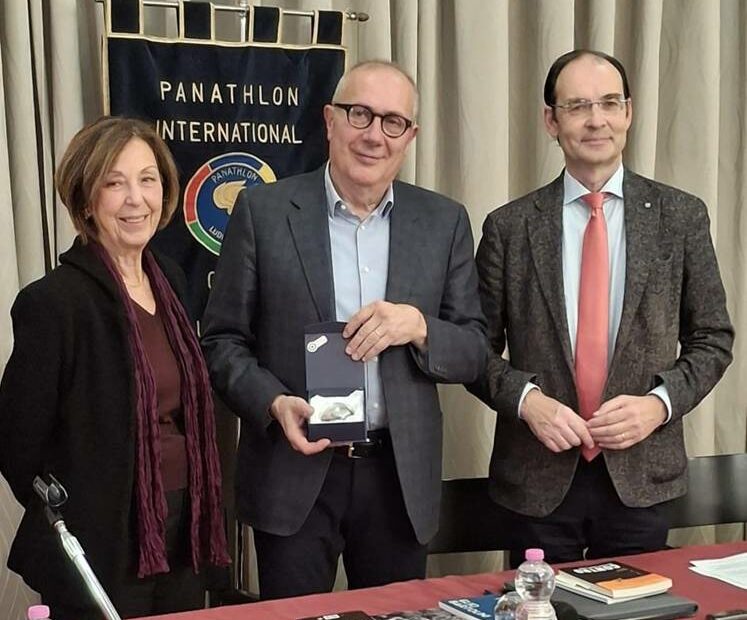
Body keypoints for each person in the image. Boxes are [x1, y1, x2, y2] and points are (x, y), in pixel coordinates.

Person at [201, 60, 486, 599]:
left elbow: (474, 349)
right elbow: (221, 341)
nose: (374, 135)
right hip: (295, 469)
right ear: (330, 120)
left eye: (393, 121)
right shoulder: (263, 211)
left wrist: (419, 326)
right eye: (360, 114)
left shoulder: (443, 221)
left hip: (398, 479)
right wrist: (272, 403)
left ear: (410, 137)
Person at [470, 49, 734, 567]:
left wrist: (658, 404)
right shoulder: (510, 227)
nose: (596, 120)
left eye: (610, 103)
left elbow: (713, 338)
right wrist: (527, 401)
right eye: (578, 106)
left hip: (642, 477)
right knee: (541, 605)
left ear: (628, 113)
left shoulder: (681, 217)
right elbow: (472, 347)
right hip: (537, 479)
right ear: (551, 121)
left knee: (641, 603)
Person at [0, 117, 229, 620]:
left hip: (185, 526)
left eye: (147, 179)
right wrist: (81, 509)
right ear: (86, 200)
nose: (136, 199)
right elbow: (17, 444)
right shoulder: (53, 302)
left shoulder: (170, 280)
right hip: (103, 539)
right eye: (114, 183)